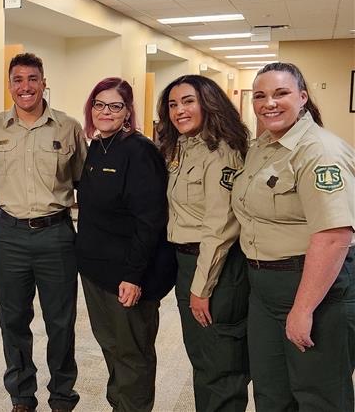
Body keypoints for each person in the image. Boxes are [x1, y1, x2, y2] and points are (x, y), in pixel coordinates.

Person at [231, 62, 355, 411]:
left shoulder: (320, 151)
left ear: (302, 97)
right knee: (271, 393)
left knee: (319, 396)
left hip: (313, 287)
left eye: (280, 93)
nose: (269, 103)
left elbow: (334, 236)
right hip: (264, 288)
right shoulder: (262, 147)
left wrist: (303, 309)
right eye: (260, 96)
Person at [0, 53, 86, 412]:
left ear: (44, 83)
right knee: (12, 321)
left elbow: (84, 182)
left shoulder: (68, 127)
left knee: (61, 322)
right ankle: (22, 396)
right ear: (9, 85)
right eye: (18, 79)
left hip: (55, 235)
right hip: (9, 235)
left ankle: (62, 396)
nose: (25, 87)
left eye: (32, 79)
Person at [75, 77, 174, 412]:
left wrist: (133, 276)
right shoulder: (97, 146)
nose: (106, 111)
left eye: (115, 106)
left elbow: (150, 220)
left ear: (127, 111)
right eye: (99, 104)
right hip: (95, 272)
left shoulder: (140, 151)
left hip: (127, 275)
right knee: (111, 345)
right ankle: (119, 405)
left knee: (133, 353)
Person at [157, 74, 251, 412]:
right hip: (187, 262)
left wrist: (202, 287)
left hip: (216, 266)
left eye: (188, 101)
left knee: (222, 364)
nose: (179, 110)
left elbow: (220, 227)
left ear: (208, 104)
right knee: (202, 357)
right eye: (172, 104)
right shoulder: (182, 148)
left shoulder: (222, 152)